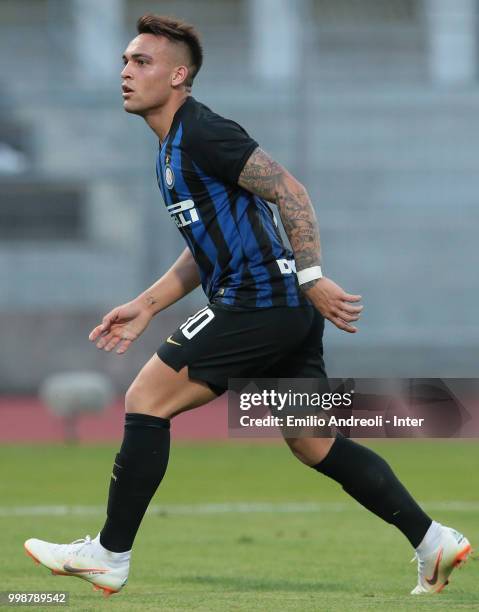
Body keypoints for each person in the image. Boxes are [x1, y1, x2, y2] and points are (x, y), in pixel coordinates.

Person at [24, 14, 471, 597]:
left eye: (142, 62)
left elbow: (290, 190)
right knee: (312, 441)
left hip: (261, 300)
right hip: (279, 304)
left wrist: (312, 276)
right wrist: (146, 303)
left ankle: (109, 554)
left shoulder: (204, 132)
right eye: (125, 61)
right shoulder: (168, 152)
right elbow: (202, 250)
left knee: (145, 399)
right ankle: (432, 539)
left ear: (179, 75)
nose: (126, 72)